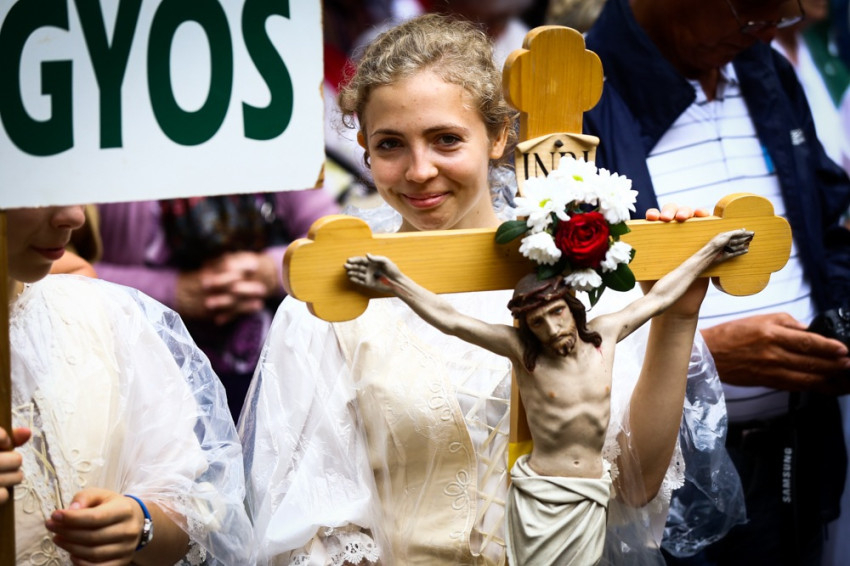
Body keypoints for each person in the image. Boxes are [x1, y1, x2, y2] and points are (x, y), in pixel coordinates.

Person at [239, 13, 737, 565]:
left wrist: (676, 316)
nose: (419, 170)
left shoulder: (586, 279)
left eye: (446, 139)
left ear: (498, 136)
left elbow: (635, 486)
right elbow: (313, 530)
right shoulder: (333, 305)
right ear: (365, 148)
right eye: (391, 144)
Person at [581, 0, 850, 563]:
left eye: (784, 14)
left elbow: (825, 227)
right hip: (659, 480)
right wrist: (699, 357)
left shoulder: (763, 68)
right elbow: (557, 308)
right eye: (752, 12)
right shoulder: (578, 92)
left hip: (797, 448)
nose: (768, 32)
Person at [344, 226, 753, 565]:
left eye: (557, 313)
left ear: (572, 308)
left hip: (591, 494)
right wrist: (394, 281)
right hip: (540, 497)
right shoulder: (525, 354)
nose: (553, 329)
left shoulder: (606, 335)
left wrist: (712, 252)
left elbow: (661, 297)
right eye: (538, 323)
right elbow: (451, 320)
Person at [2, 205, 253, 564]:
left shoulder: (102, 312)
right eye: (39, 196)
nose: (75, 216)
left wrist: (139, 522)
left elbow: (188, 515)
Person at [94, 189, 340, 420]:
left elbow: (337, 245)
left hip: (274, 370)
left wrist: (272, 271)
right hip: (147, 377)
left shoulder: (279, 162)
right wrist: (172, 291)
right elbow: (74, 270)